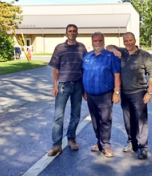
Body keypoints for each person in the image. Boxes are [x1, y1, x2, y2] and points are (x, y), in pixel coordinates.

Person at [106, 32, 152, 160]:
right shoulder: (123, 52)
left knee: (141, 122)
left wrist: (149, 92)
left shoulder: (144, 55)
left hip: (139, 93)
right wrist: (114, 50)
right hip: (125, 93)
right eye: (126, 41)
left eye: (130, 40)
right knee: (128, 122)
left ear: (135, 40)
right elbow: (108, 46)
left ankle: (143, 148)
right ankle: (132, 144)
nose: (128, 43)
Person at [47, 24, 87, 156]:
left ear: (77, 33)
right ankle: (56, 145)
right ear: (66, 33)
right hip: (63, 86)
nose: (72, 33)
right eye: (70, 31)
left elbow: (85, 68)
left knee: (75, 115)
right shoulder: (59, 48)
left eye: (74, 31)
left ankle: (71, 139)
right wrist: (54, 86)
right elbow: (55, 69)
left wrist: (85, 89)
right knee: (58, 116)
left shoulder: (82, 48)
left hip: (78, 85)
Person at [82, 32, 121, 158]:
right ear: (92, 42)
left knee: (105, 120)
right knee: (95, 121)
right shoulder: (87, 57)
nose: (98, 43)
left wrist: (116, 92)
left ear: (103, 41)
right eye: (95, 41)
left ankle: (106, 145)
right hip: (91, 95)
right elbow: (84, 74)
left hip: (105, 95)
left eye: (100, 40)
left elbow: (116, 75)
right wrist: (85, 90)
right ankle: (99, 142)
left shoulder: (111, 56)